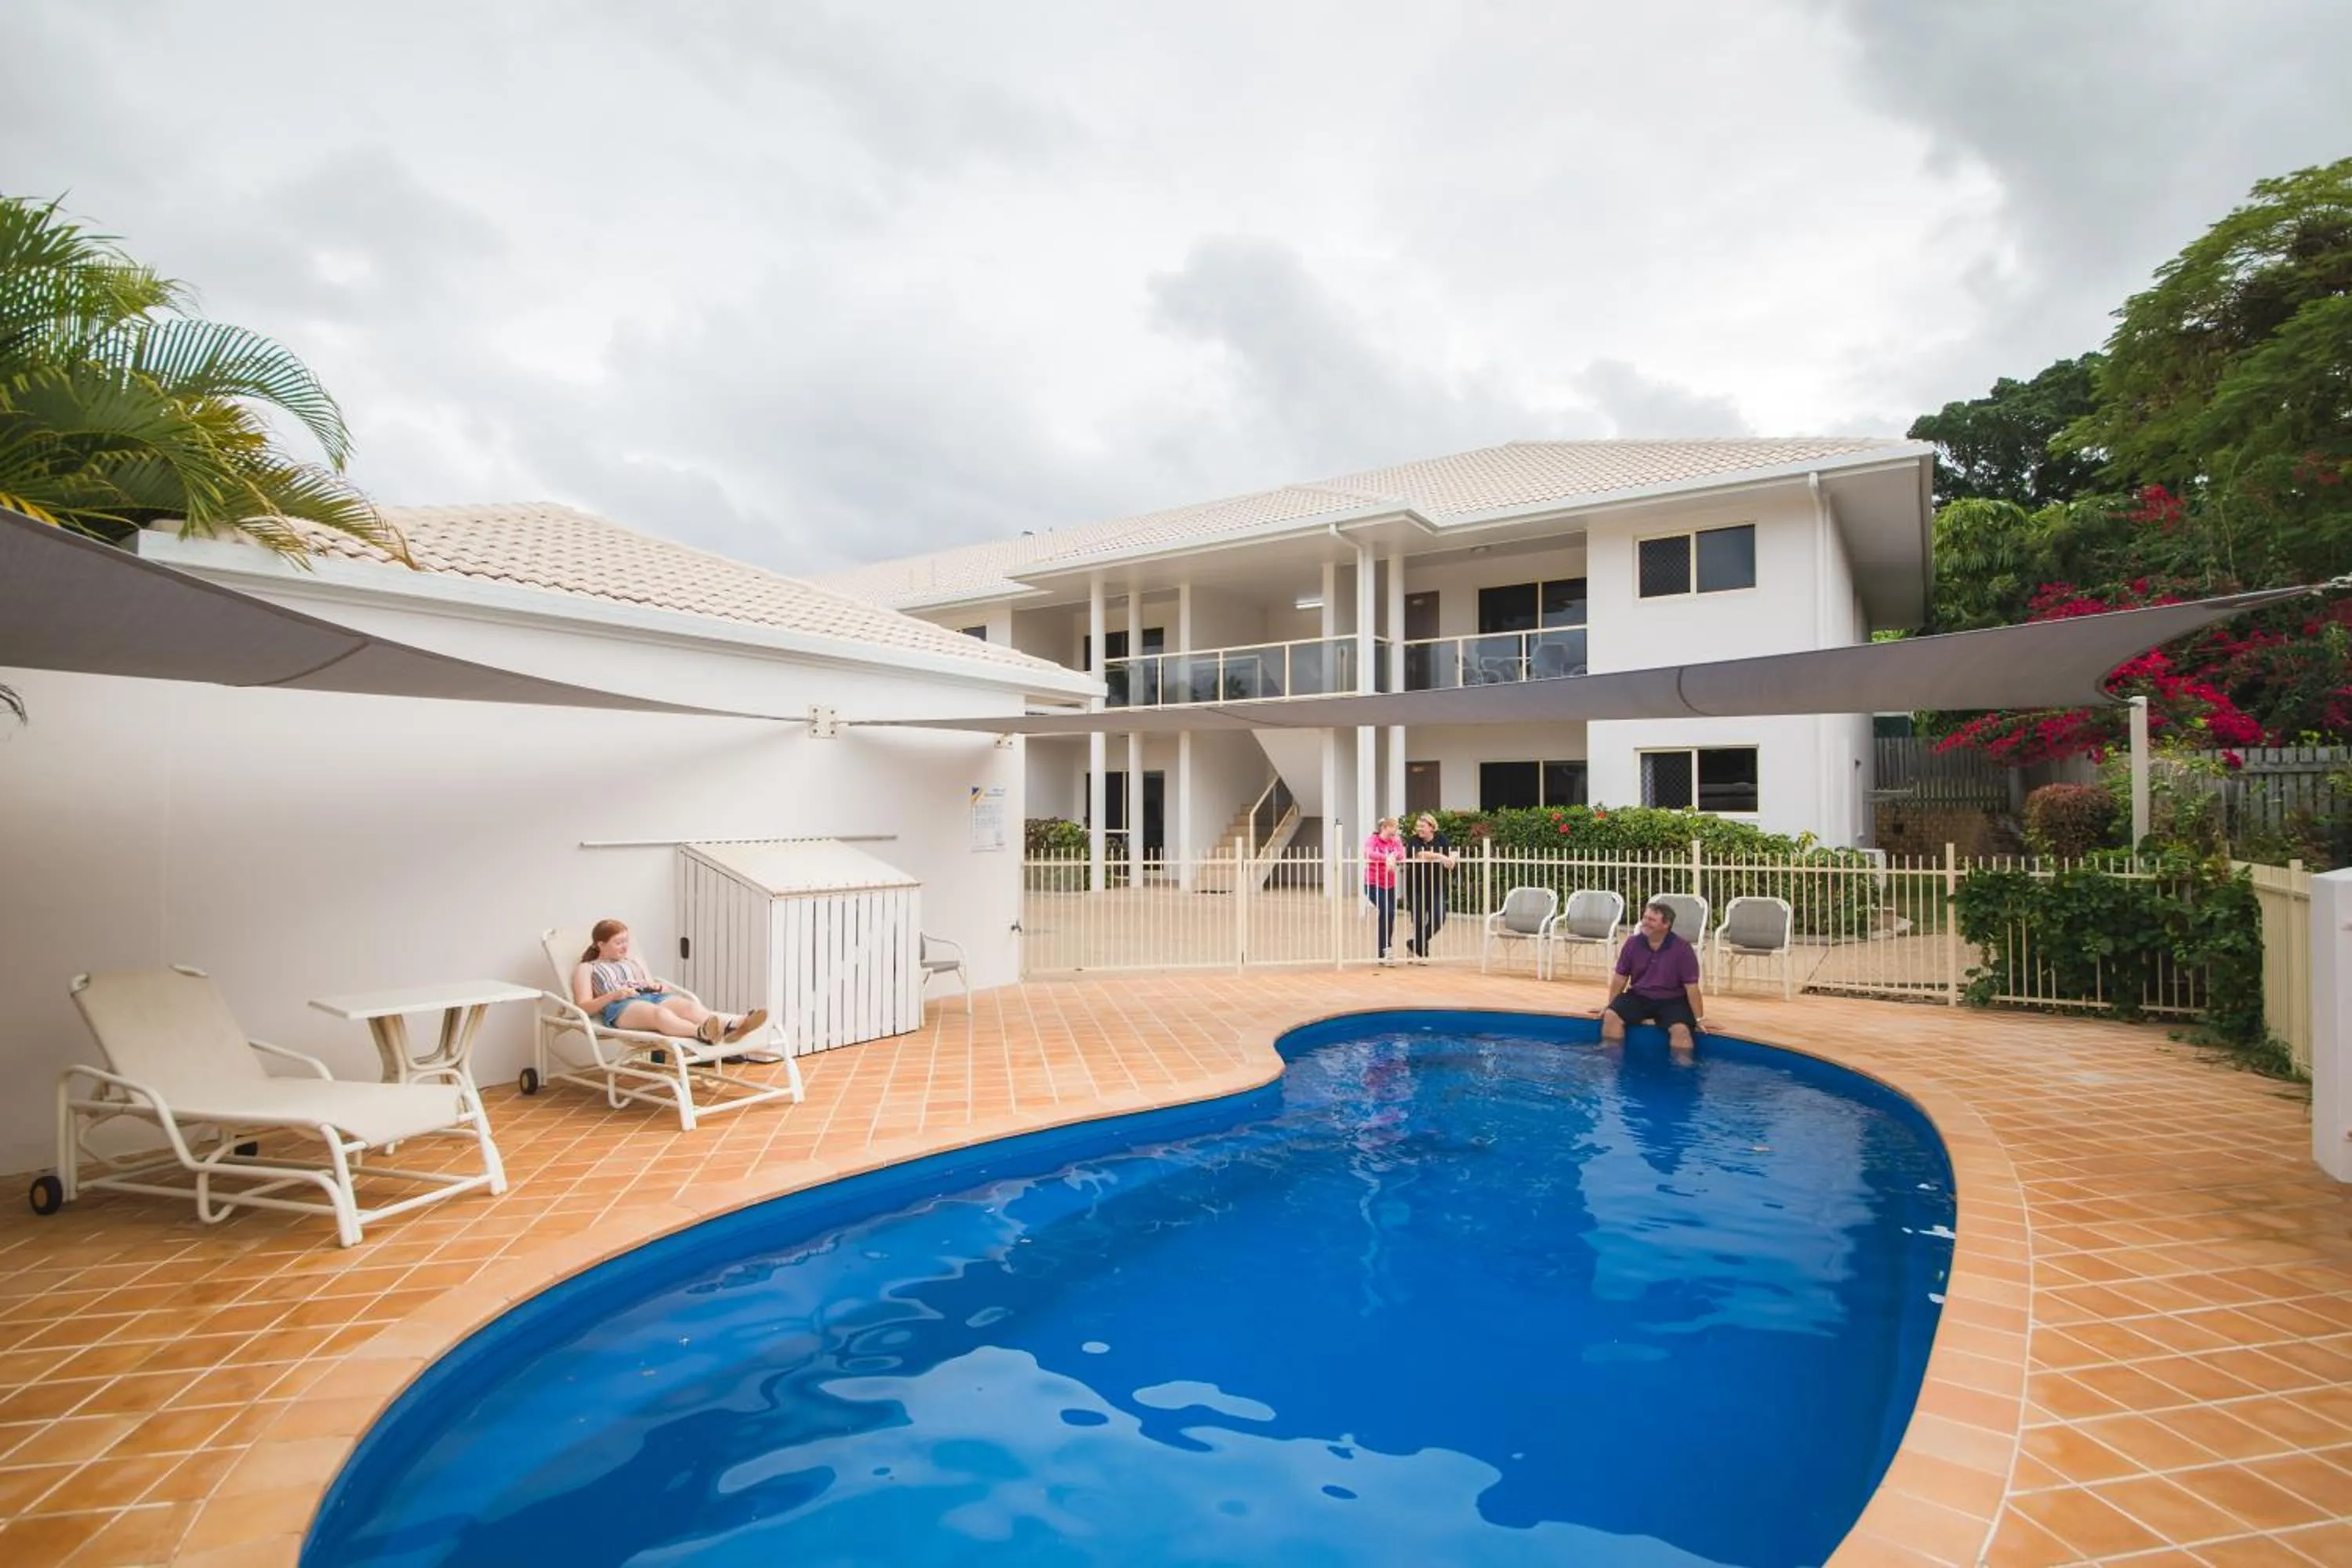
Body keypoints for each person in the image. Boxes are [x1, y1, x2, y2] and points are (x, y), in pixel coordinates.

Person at [575, 919, 768, 1047]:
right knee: (660, 1014)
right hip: (620, 1006)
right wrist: (615, 995)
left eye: (626, 941)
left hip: (650, 996)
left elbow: (649, 982)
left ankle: (736, 1024)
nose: (625, 947)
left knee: (689, 1007)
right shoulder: (587, 967)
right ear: (600, 944)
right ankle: (701, 1032)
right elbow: (583, 1006)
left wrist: (658, 987)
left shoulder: (633, 961)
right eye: (619, 943)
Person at [1595, 899, 1708, 1054]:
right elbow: (1620, 978)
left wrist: (1699, 1019)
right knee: (1611, 1016)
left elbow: (1691, 987)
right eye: (1645, 918)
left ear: (1666, 924)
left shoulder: (1682, 949)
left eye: (1652, 920)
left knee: (1681, 1030)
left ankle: (1683, 1073)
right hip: (1639, 996)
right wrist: (1611, 1005)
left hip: (1672, 1000)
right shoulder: (1632, 943)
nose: (1645, 923)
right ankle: (1612, 1063)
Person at [1402, 812, 1458, 957]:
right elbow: (1420, 855)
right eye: (1418, 826)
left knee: (1439, 919)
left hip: (1436, 886)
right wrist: (1440, 856)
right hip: (1416, 887)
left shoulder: (1440, 837)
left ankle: (1414, 944)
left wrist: (1452, 858)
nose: (1419, 829)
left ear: (1432, 827)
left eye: (1422, 826)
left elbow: (1453, 850)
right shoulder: (1413, 840)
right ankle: (1422, 952)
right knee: (1419, 921)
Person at [1362, 818, 1406, 962]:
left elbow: (1401, 854)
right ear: (1385, 827)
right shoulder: (1373, 839)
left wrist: (1393, 856)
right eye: (1394, 827)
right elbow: (1368, 853)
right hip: (1373, 883)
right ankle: (1386, 948)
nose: (1396, 830)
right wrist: (1386, 857)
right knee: (1387, 910)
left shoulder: (1396, 840)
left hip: (1389, 884)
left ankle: (1384, 951)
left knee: (1389, 914)